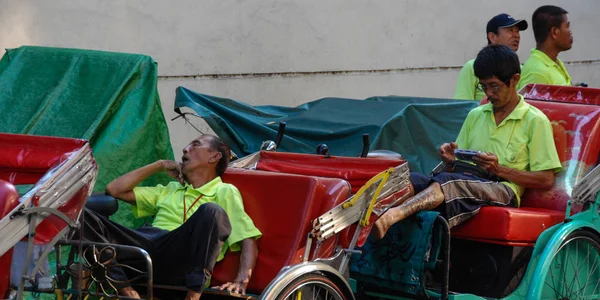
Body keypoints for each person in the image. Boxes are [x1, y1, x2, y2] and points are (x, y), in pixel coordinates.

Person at [374, 45, 561, 238]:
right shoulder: (476, 115)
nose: (488, 93)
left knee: (450, 183)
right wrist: (450, 160)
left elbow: (546, 179)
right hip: (468, 180)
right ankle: (367, 215)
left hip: (503, 188)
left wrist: (499, 170)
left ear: (514, 80)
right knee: (411, 179)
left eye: (494, 86)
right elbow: (456, 167)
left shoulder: (534, 120)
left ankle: (392, 217)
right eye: (484, 86)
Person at [81, 134, 261, 300]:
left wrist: (241, 281)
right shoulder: (171, 189)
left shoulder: (224, 191)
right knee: (80, 213)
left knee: (212, 211)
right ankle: (126, 290)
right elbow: (115, 190)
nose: (185, 149)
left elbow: (247, 238)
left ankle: (193, 296)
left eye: (195, 145)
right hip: (147, 247)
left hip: (181, 258)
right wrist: (159, 165)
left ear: (214, 157)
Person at [454, 13, 528, 101]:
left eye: (517, 31)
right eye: (510, 30)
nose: (516, 35)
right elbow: (463, 106)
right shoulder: (472, 67)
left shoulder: (521, 70)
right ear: (492, 37)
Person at [518, 5, 573, 90]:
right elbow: (529, 103)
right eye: (567, 27)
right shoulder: (536, 72)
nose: (570, 32)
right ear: (554, 32)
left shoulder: (555, 62)